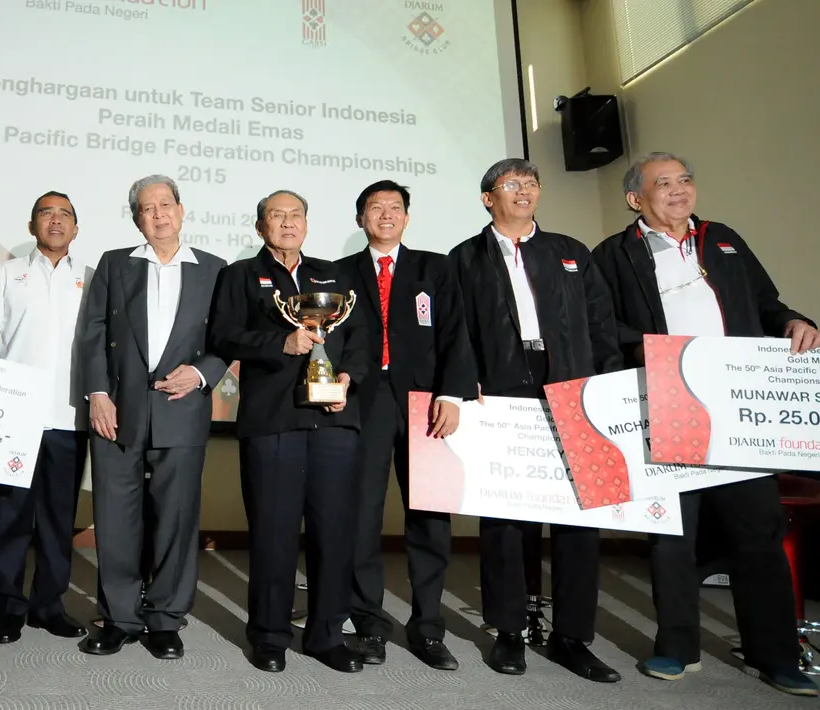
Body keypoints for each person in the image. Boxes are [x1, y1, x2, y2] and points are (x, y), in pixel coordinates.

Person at [591, 152, 820, 696]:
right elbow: (603, 327)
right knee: (673, 535)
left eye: (684, 180)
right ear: (635, 198)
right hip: (667, 405)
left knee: (758, 532)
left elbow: (767, 302)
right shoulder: (613, 254)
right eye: (663, 183)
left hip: (736, 406)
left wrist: (795, 320)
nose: (678, 191)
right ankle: (676, 646)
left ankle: (777, 655)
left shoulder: (725, 241)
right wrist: (649, 355)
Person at [448, 158, 621, 683]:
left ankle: (572, 636)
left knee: (577, 516)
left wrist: (606, 386)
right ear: (487, 198)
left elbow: (601, 324)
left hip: (572, 391)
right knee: (504, 519)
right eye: (511, 185)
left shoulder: (570, 252)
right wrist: (462, 384)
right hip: (500, 394)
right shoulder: (465, 258)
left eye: (531, 183)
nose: (523, 192)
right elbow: (455, 332)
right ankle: (509, 631)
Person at [209, 190, 367, 673]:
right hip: (273, 421)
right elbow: (222, 335)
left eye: (295, 215)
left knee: (334, 533)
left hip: (334, 421)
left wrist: (346, 378)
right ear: (260, 227)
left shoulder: (334, 274)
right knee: (274, 534)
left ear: (306, 223)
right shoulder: (239, 275)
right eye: (276, 216)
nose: (286, 223)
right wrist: (283, 341)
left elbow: (361, 337)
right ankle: (270, 636)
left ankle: (325, 635)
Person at [78, 175, 226, 659]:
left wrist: (203, 375)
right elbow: (93, 332)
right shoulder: (115, 264)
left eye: (166, 204)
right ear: (136, 217)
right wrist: (97, 393)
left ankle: (165, 618)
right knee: (115, 518)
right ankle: (120, 616)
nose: (158, 214)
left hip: (182, 408)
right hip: (117, 410)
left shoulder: (215, 270)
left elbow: (226, 340)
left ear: (181, 211)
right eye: (147, 207)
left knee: (175, 519)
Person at [337, 180, 476, 670]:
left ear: (407, 218)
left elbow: (457, 333)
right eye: (375, 208)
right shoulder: (339, 273)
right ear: (361, 219)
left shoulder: (434, 268)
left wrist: (452, 393)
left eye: (395, 207)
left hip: (426, 406)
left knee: (430, 518)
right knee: (362, 516)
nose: (386, 214)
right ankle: (368, 623)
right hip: (364, 404)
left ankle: (429, 627)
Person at [0, 192, 91, 645]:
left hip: (70, 417)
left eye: (64, 214)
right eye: (46, 213)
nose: (55, 220)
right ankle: (8, 609)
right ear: (32, 226)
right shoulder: (6, 274)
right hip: (15, 418)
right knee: (9, 518)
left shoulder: (90, 279)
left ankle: (48, 605)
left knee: (57, 518)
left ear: (76, 227)